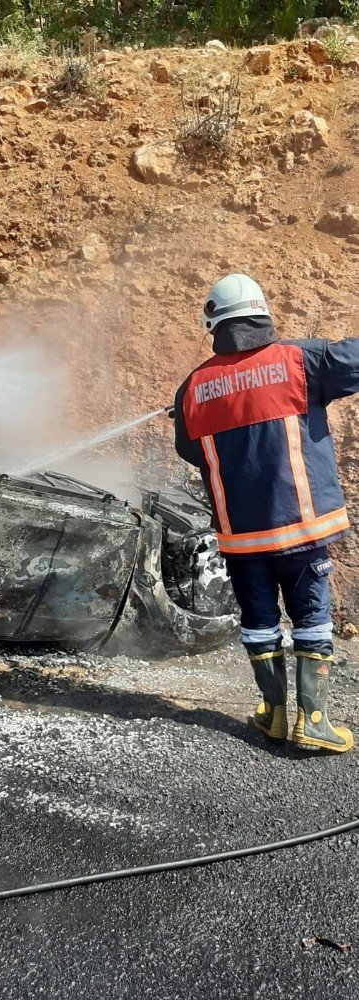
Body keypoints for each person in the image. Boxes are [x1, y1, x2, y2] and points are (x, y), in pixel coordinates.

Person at [174, 272, 359, 753]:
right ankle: (313, 721)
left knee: (259, 621)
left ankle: (274, 715)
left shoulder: (192, 388)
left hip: (241, 538)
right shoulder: (301, 360)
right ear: (262, 312)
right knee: (312, 618)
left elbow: (192, 452)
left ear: (213, 323)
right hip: (302, 526)